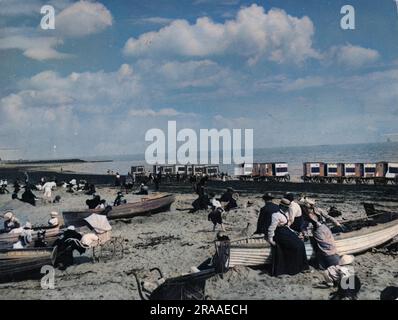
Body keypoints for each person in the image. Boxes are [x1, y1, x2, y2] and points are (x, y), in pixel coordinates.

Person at [268, 198, 309, 276]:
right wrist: (270, 239)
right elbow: (271, 228)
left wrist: (294, 232)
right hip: (279, 233)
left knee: (300, 243)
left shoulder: (284, 213)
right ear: (281, 206)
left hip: (285, 231)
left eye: (287, 207)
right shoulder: (275, 215)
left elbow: (286, 226)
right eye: (285, 207)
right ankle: (292, 269)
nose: (287, 209)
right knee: (295, 246)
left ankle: (302, 267)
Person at [303, 205, 340, 269]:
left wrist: (336, 222)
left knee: (330, 244)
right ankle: (324, 262)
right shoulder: (305, 215)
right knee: (323, 246)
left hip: (324, 229)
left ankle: (331, 259)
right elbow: (304, 226)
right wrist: (305, 233)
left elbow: (328, 217)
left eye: (310, 208)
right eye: (307, 208)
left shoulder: (318, 210)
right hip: (317, 232)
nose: (308, 210)